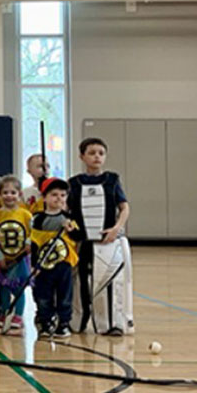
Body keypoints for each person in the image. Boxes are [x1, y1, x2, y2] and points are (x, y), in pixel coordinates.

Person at [67, 138, 133, 335]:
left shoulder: (112, 180)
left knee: (109, 283)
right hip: (82, 243)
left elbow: (124, 208)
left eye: (101, 153)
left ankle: (111, 324)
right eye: (92, 152)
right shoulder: (74, 183)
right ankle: (77, 322)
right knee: (80, 284)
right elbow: (67, 210)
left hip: (107, 243)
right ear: (82, 156)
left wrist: (116, 228)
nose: (97, 156)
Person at [31, 177, 80, 339]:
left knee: (64, 295)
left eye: (63, 195)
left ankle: (63, 323)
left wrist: (71, 230)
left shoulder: (69, 218)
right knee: (43, 295)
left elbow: (78, 237)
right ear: (44, 197)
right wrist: (33, 265)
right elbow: (34, 244)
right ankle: (45, 321)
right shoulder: (38, 220)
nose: (59, 198)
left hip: (63, 265)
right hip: (43, 266)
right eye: (54, 195)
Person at [0, 176, 33, 334]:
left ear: (19, 194)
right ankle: (3, 312)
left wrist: (29, 244)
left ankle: (18, 315)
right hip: (3, 258)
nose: (9, 196)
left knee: (19, 288)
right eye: (5, 192)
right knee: (2, 288)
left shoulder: (25, 214)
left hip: (20, 259)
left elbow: (32, 232)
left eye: (13, 192)